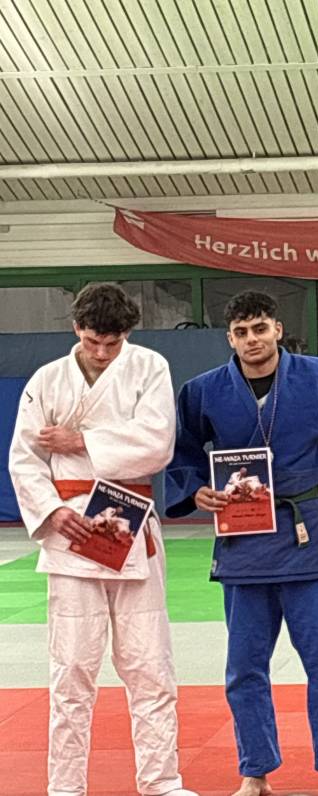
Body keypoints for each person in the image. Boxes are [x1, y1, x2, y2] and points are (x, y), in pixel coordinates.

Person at [164, 290, 318, 796]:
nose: (251, 340)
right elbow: (182, 450)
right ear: (229, 338)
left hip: (304, 534)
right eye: (241, 332)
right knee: (244, 668)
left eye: (259, 328)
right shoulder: (203, 390)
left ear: (277, 329)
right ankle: (255, 771)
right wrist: (195, 489)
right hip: (242, 539)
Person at [9, 283, 196, 796]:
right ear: (77, 328)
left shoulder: (149, 367)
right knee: (71, 668)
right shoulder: (47, 380)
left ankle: (161, 780)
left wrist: (81, 441)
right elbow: (24, 458)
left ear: (127, 334)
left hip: (131, 527)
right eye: (93, 341)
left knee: (150, 665)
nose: (102, 352)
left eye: (112, 343)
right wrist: (51, 511)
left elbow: (157, 444)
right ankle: (65, 785)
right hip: (70, 533)